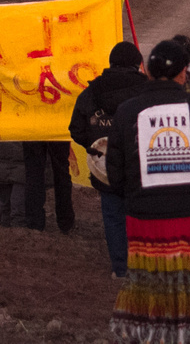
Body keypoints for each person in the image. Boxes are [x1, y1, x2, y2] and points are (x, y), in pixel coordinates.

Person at [107, 39, 190, 344]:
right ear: (183, 73)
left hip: (144, 222)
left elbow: (114, 176)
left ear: (148, 72)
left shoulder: (127, 113)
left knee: (151, 295)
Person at [68, 40, 148, 278]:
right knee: (141, 216)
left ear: (111, 63)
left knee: (113, 217)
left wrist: (94, 148)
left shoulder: (92, 91)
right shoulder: (148, 90)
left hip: (103, 166)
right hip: (141, 165)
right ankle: (142, 266)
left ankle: (121, 269)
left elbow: (76, 129)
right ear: (137, 64)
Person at [22, 139, 74, 233]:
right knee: (61, 172)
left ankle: (34, 223)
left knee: (33, 172)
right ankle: (66, 222)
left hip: (33, 129)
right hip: (56, 129)